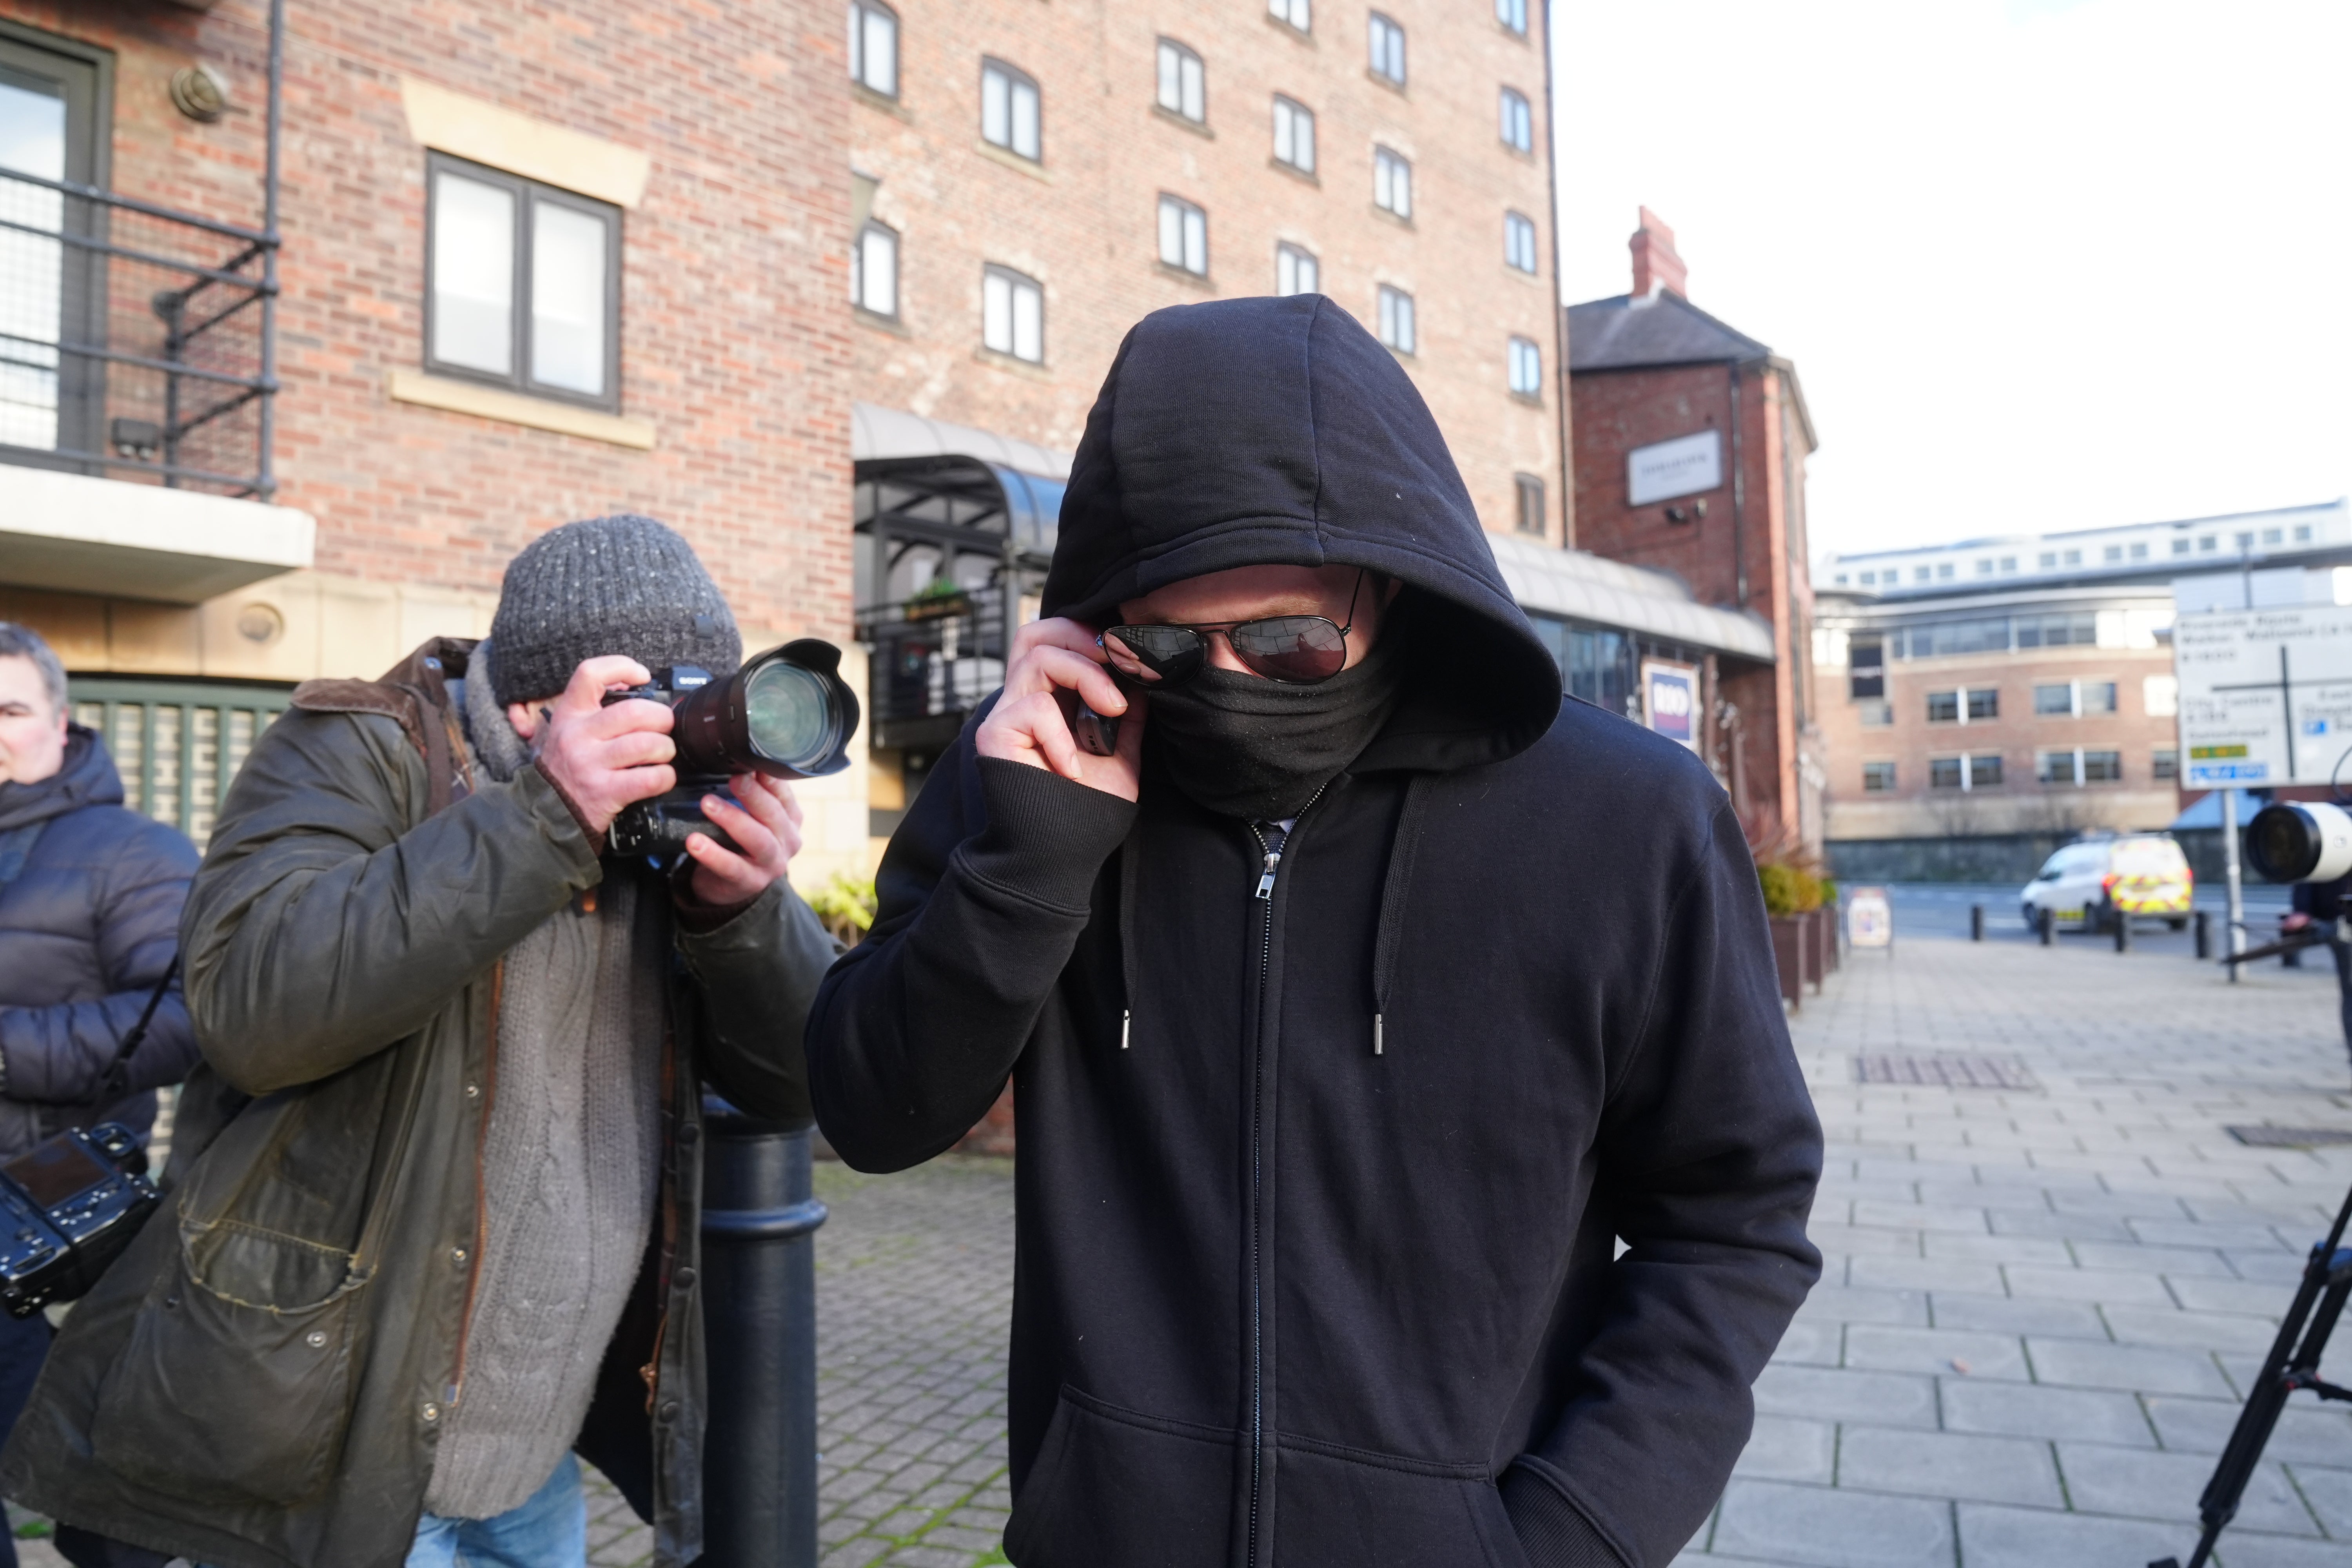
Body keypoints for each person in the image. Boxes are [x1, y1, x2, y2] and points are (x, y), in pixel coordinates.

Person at [809, 296, 1824, 1568]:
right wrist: (1029, 862)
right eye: (1174, 646)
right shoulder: (1046, 773)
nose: (1228, 686)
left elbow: (1732, 1220)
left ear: (1393, 592)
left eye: (1291, 642)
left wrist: (1571, 1535)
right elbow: (872, 1114)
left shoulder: (1630, 821)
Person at [1, 517, 840, 1568]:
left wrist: (746, 915)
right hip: (323, 1455)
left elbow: (805, 1086)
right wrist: (547, 818)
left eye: (694, 707)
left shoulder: (667, 830)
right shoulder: (354, 749)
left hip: (533, 1463)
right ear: (532, 703)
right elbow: (256, 1012)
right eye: (642, 705)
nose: (668, 745)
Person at [0, 625, 200, 1568]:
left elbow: (190, 1016)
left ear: (61, 721)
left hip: (50, 1221)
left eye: (9, 708)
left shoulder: (133, 850)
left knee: (96, 1500)